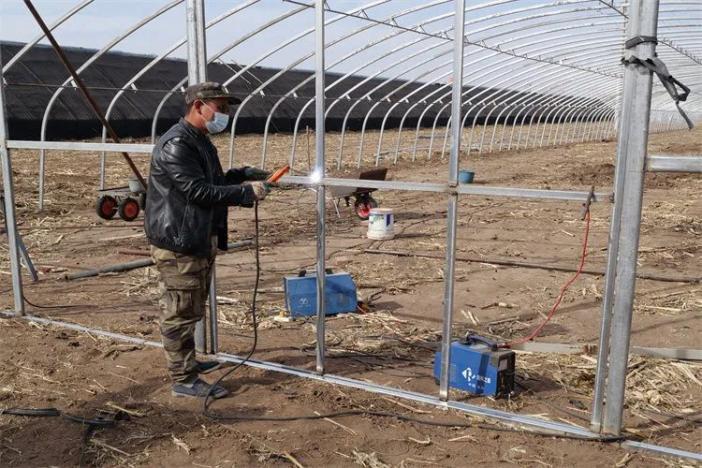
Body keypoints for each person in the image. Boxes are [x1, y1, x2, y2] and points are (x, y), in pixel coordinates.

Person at [145, 82, 270, 399]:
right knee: (179, 310)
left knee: (191, 307)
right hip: (179, 242)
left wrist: (240, 175)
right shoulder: (177, 144)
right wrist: (244, 193)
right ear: (198, 106)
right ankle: (183, 378)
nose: (224, 114)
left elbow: (211, 183)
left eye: (227, 108)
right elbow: (197, 192)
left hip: (197, 237)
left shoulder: (198, 140)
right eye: (221, 107)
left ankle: (187, 363)